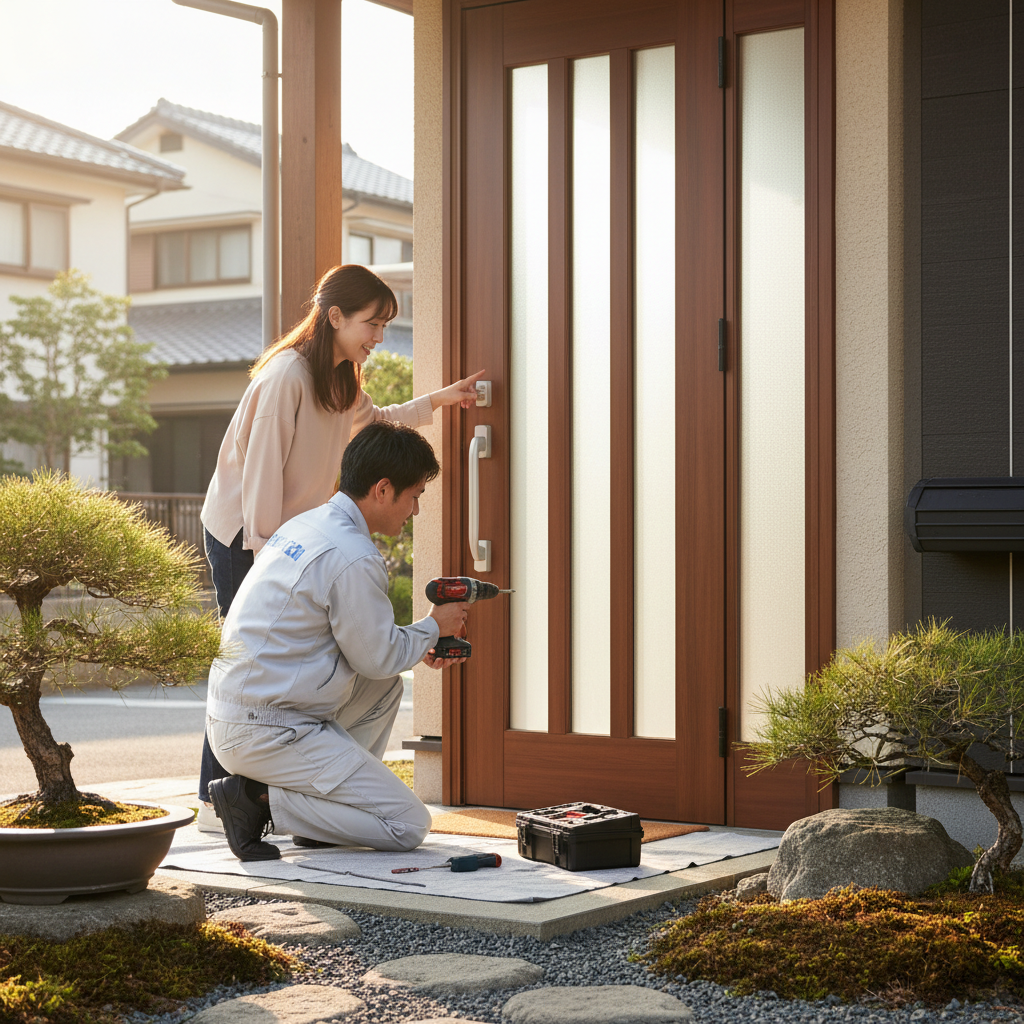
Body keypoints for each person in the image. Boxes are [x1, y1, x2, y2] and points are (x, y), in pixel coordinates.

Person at [198, 263, 483, 814]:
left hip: (291, 539)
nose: (379, 337)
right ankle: (220, 803)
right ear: (335, 317)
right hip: (248, 537)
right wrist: (269, 562)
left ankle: (262, 792)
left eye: (383, 326)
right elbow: (261, 478)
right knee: (244, 675)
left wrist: (441, 400)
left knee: (296, 666)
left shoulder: (341, 376)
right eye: (372, 325)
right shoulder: (285, 378)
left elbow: (377, 424)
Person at [206, 421, 468, 861]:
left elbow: (373, 658)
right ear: (383, 489)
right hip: (268, 729)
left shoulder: (308, 526)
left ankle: (324, 819)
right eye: (416, 496)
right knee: (407, 824)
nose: (416, 511)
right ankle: (257, 801)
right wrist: (434, 627)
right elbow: (379, 655)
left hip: (243, 713)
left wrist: (420, 642)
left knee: (384, 687)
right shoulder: (353, 555)